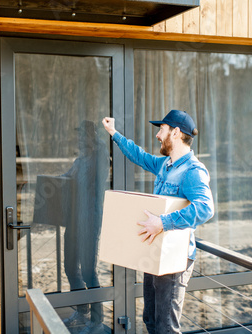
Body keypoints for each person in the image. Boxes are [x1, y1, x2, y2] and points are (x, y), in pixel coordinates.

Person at [102, 110, 214, 334]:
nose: (157, 135)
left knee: (166, 328)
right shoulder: (165, 165)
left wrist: (163, 222)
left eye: (161, 129)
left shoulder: (193, 171)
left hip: (175, 260)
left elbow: (205, 208)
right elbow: (139, 156)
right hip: (155, 254)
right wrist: (113, 133)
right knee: (151, 321)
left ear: (175, 132)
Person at [62, 120, 110, 334]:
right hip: (72, 220)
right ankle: (82, 312)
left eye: (83, 135)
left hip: (90, 219)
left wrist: (96, 142)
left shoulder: (98, 158)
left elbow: (100, 170)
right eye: (79, 135)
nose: (80, 139)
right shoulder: (80, 161)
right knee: (70, 266)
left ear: (92, 137)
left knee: (89, 270)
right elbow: (67, 178)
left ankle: (97, 320)